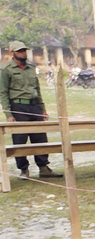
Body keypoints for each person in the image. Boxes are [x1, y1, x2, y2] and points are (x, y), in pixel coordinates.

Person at [1, 41, 61, 180]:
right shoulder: (6, 70)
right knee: (20, 140)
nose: (23, 53)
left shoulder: (31, 68)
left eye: (24, 50)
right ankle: (23, 170)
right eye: (20, 51)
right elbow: (3, 93)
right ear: (13, 53)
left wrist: (42, 109)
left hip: (34, 106)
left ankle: (43, 167)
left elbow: (37, 90)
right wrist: (9, 114)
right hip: (18, 107)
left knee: (40, 138)